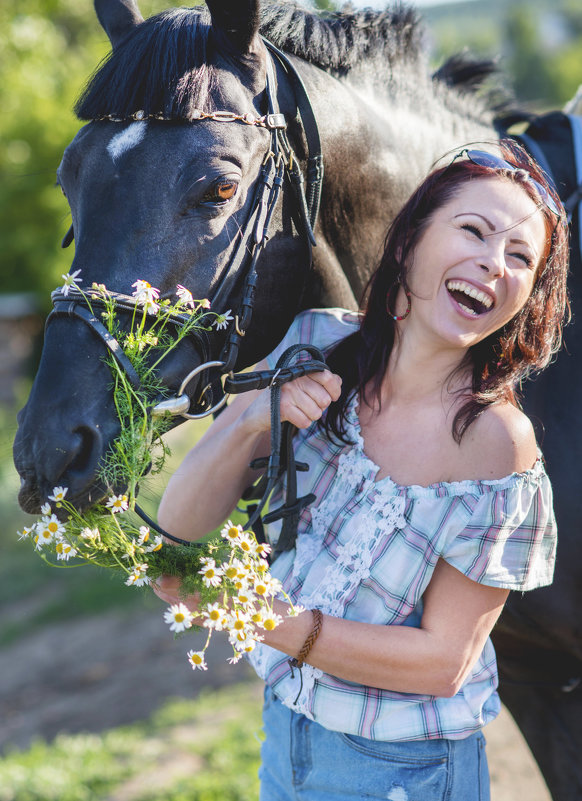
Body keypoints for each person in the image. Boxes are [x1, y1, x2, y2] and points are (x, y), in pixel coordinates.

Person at [153, 139, 569, 800]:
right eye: (474, 231)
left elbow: (445, 661)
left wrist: (263, 618)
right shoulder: (317, 344)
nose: (494, 262)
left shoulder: (494, 440)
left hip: (404, 770)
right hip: (287, 733)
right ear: (408, 242)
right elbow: (177, 536)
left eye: (521, 257)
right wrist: (256, 421)